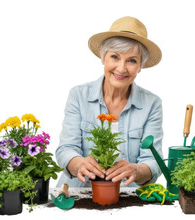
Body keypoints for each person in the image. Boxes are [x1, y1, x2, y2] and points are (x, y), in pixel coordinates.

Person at [56, 16, 163, 188]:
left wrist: (137, 170)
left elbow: (153, 161)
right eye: (115, 57)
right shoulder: (78, 96)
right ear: (103, 56)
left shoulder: (152, 104)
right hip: (77, 193)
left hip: (127, 198)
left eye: (132, 60)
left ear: (140, 66)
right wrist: (78, 164)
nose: (121, 68)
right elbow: (65, 149)